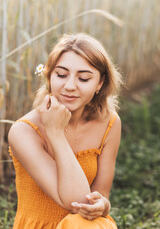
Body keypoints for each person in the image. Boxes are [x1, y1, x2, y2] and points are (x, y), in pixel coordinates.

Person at [8, 33, 122, 229]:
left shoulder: (109, 123)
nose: (69, 86)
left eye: (84, 78)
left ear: (100, 83)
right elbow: (75, 201)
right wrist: (55, 133)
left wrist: (103, 205)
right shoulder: (23, 131)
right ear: (49, 76)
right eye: (61, 75)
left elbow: (98, 197)